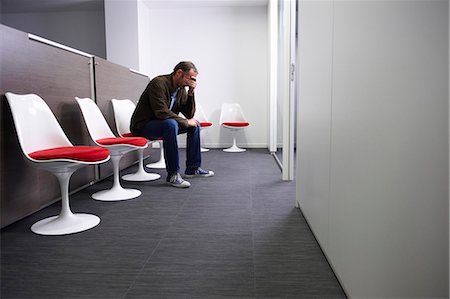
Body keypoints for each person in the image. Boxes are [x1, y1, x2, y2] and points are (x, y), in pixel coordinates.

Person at [130, 61, 214, 188]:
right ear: (179, 73)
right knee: (171, 124)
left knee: (195, 125)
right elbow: (161, 113)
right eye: (189, 78)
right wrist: (185, 122)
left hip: (163, 124)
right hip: (143, 126)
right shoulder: (158, 83)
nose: (191, 81)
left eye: (193, 79)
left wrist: (191, 93)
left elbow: (189, 114)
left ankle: (193, 168)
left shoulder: (181, 90)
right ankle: (173, 175)